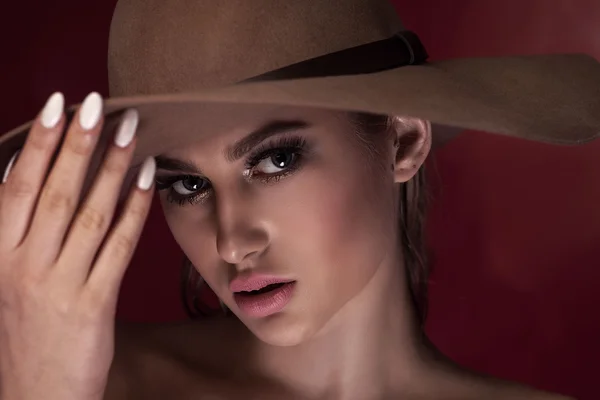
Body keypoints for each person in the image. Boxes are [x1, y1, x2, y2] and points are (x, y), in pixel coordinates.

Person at [0, 0, 599, 399]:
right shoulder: (81, 382)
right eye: (186, 184)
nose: (232, 240)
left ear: (404, 140)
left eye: (276, 160)